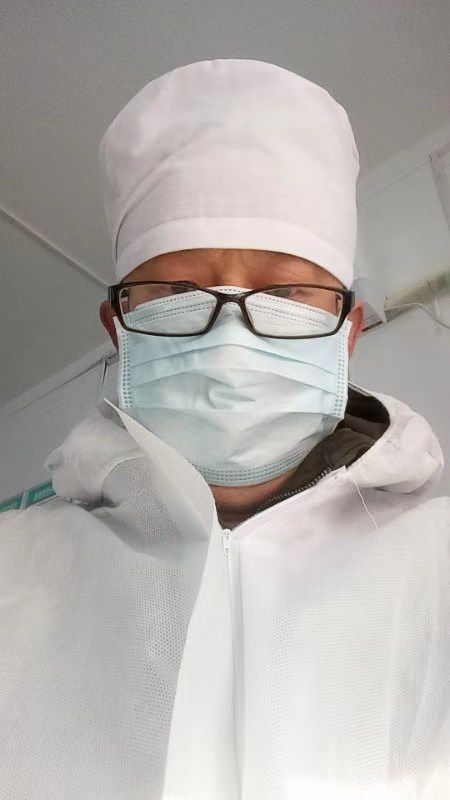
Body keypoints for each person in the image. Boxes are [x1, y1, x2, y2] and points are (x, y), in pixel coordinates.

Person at [1, 59, 449, 799]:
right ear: (120, 330)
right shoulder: (14, 573)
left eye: (287, 290)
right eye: (179, 290)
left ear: (347, 333)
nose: (232, 335)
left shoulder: (436, 569)